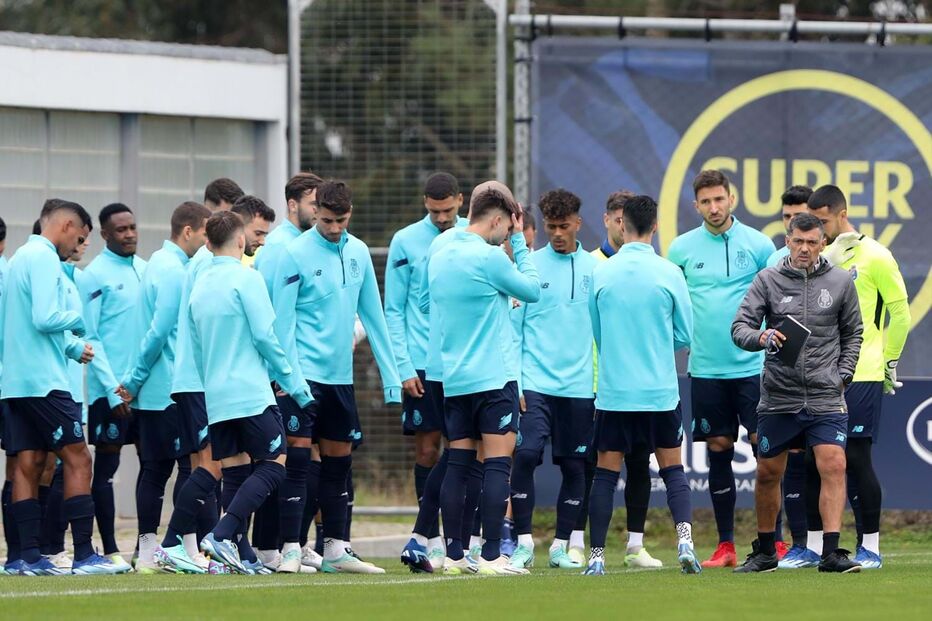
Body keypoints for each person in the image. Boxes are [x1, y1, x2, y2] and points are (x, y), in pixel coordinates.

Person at [273, 180, 402, 574]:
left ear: (350, 213)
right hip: (303, 378)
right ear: (315, 213)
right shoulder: (293, 254)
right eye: (327, 220)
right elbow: (282, 324)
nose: (333, 228)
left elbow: (375, 318)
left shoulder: (360, 251)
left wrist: (392, 379)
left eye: (340, 220)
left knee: (338, 465)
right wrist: (288, 378)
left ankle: (335, 549)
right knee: (297, 462)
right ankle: (291, 549)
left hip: (340, 380)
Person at [182, 210, 314, 574]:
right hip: (250, 393)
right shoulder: (246, 278)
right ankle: (221, 535)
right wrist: (295, 386)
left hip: (217, 397)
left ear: (208, 243)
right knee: (275, 465)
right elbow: (265, 338)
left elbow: (196, 348)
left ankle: (243, 556)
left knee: (236, 474)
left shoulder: (198, 287)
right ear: (241, 241)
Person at [732, 212, 863, 574]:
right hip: (779, 396)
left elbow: (854, 333)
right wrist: (762, 337)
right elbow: (739, 327)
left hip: (826, 395)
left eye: (812, 242)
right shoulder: (768, 279)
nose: (804, 248)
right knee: (768, 474)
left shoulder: (840, 282)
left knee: (833, 465)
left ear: (823, 243)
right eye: (798, 241)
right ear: (787, 240)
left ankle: (831, 553)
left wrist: (844, 374)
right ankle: (765, 551)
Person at [2, 199, 125, 575]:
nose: (79, 248)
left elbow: (21, 324)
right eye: (81, 238)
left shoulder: (18, 259)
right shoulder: (42, 259)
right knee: (78, 458)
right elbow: (45, 317)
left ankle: (24, 557)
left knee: (28, 464)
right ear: (68, 225)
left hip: (16, 382)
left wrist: (72, 348)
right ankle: (85, 555)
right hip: (45, 382)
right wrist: (80, 322)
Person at [159, 194, 276, 574]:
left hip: (210, 378)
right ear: (237, 231)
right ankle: (172, 544)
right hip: (205, 380)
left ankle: (237, 552)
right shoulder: (211, 264)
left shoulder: (219, 262)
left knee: (233, 468)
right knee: (209, 466)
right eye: (256, 232)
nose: (260, 241)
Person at [586, 195, 700, 576]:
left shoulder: (600, 272)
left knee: (605, 474)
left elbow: (598, 333)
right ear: (655, 227)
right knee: (672, 471)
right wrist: (653, 347)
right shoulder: (670, 273)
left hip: (616, 394)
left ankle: (596, 557)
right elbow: (685, 334)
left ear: (622, 225)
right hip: (659, 393)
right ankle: (685, 539)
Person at [429, 182, 540, 576]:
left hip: (455, 379)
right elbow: (533, 291)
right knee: (497, 465)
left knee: (456, 465)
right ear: (497, 220)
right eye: (506, 230)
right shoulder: (490, 258)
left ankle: (455, 556)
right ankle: (493, 555)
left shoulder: (439, 250)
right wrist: (522, 248)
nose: (506, 237)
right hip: (493, 379)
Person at [668, 170, 776, 568]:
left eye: (720, 199)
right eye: (706, 202)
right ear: (696, 206)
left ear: (732, 199)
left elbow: (777, 299)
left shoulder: (759, 245)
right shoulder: (680, 250)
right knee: (718, 448)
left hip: (754, 367)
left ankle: (774, 542)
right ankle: (726, 545)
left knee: (767, 452)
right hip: (707, 369)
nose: (714, 208)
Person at [806, 185, 910, 569]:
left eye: (823, 221)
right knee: (815, 459)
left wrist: (890, 362)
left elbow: (900, 312)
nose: (818, 229)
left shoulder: (876, 255)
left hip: (863, 371)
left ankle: (871, 547)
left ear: (841, 212)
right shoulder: (821, 256)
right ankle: (814, 548)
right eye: (813, 222)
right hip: (820, 374)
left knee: (855, 456)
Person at [118, 201, 211, 573]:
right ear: (187, 231)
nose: (208, 243)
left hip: (159, 388)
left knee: (157, 469)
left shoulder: (157, 261)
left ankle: (157, 550)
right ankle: (172, 549)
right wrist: (134, 379)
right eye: (205, 234)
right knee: (183, 468)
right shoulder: (173, 270)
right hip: (169, 388)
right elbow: (158, 332)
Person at [507, 188, 596, 572]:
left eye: (564, 226)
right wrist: (517, 383)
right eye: (550, 226)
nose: (557, 233)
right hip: (535, 386)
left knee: (575, 468)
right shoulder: (530, 269)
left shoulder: (596, 269)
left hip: (579, 388)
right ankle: (524, 543)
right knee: (524, 456)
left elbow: (606, 330)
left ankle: (561, 547)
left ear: (577, 223)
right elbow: (514, 331)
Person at [386, 172, 466, 571]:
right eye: (434, 211)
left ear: (461, 201)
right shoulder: (405, 240)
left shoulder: (472, 236)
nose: (440, 218)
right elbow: (394, 309)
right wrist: (402, 365)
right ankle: (430, 536)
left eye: (447, 210)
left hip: (464, 360)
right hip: (420, 362)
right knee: (427, 449)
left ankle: (463, 538)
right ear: (424, 204)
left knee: (467, 449)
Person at [586, 188, 661, 569]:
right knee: (591, 469)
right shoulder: (592, 265)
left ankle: (635, 546)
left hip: (635, 387)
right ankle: (577, 545)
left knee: (638, 465)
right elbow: (592, 329)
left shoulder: (652, 268)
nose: (620, 223)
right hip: (596, 385)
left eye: (624, 218)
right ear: (608, 220)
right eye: (614, 217)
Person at [254, 172, 324, 572]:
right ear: (293, 205)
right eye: (313, 204)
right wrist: (284, 375)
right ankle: (272, 546)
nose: (319, 212)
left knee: (307, 458)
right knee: (283, 460)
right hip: (284, 375)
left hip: (304, 373)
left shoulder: (304, 246)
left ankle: (289, 543)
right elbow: (278, 321)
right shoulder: (281, 248)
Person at [79, 203, 143, 570]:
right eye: (121, 230)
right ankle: (109, 547)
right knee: (105, 471)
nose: (130, 234)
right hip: (112, 393)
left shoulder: (147, 271)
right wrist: (110, 387)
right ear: (105, 234)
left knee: (154, 467)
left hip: (146, 391)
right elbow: (91, 337)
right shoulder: (94, 276)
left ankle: (146, 546)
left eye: (133, 227)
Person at [765, 186, 816, 569]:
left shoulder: (834, 275)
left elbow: (850, 330)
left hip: (821, 389)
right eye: (787, 221)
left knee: (823, 464)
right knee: (776, 466)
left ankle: (814, 541)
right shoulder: (771, 265)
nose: (796, 234)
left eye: (800, 220)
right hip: (777, 385)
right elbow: (754, 323)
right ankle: (783, 543)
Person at [767, 186, 812, 268]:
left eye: (799, 216)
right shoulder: (774, 260)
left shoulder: (831, 254)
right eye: (787, 216)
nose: (792, 221)